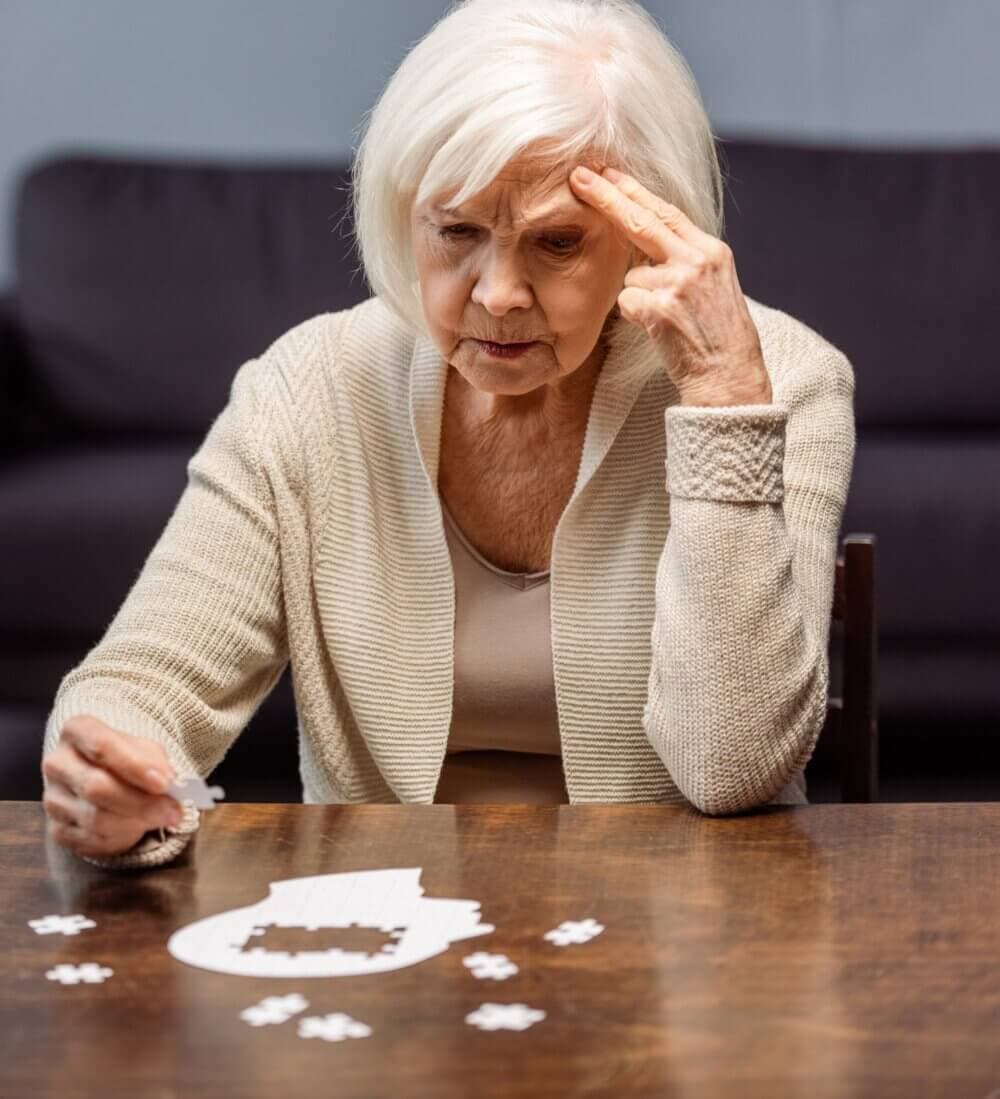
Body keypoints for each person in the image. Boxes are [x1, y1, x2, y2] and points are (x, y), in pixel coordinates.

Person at [40, 0, 856, 870]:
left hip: (683, 933)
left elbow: (735, 769)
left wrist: (723, 402)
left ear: (645, 235)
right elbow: (141, 681)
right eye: (458, 230)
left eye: (558, 241)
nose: (499, 292)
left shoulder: (781, 380)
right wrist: (110, 773)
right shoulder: (308, 387)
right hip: (384, 940)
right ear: (405, 215)